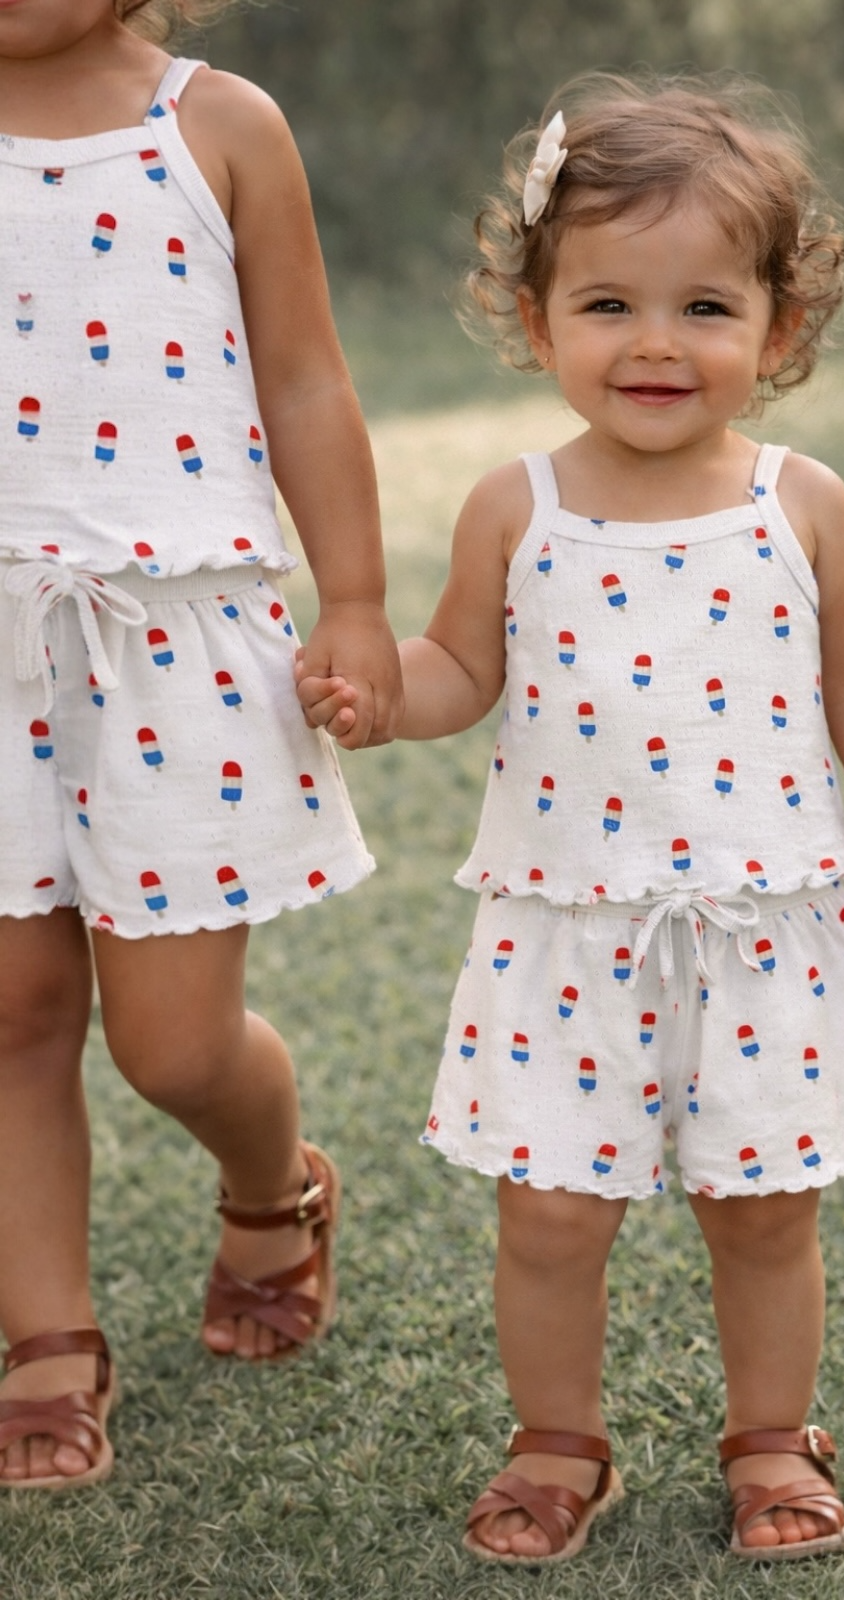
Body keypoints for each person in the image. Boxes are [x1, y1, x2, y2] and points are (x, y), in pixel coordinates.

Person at [299, 71, 844, 1564]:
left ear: (778, 331)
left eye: (706, 309)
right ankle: (557, 1446)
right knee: (548, 1217)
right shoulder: (513, 505)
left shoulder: (804, 503)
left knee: (765, 1210)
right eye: (606, 306)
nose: (655, 343)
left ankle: (773, 1442)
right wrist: (384, 688)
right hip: (565, 930)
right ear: (537, 324)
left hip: (760, 923)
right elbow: (464, 662)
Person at [0, 0, 398, 1490]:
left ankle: (273, 1184)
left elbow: (302, 380)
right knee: (13, 1010)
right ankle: (47, 1340)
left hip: (170, 638)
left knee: (168, 1044)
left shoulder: (218, 124)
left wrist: (353, 599)